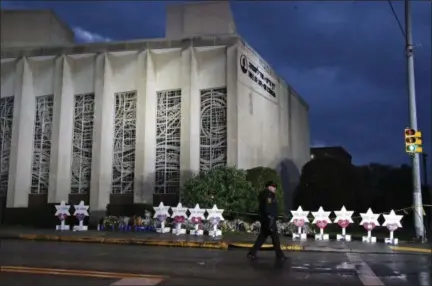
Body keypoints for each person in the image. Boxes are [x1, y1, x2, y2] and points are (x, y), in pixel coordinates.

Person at [247, 181, 286, 261]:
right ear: (268, 187)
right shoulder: (268, 195)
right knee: (275, 238)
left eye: (275, 187)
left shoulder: (268, 194)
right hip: (269, 219)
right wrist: (270, 220)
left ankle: (252, 253)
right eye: (273, 186)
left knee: (262, 238)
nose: (275, 188)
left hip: (267, 220)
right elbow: (268, 208)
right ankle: (280, 255)